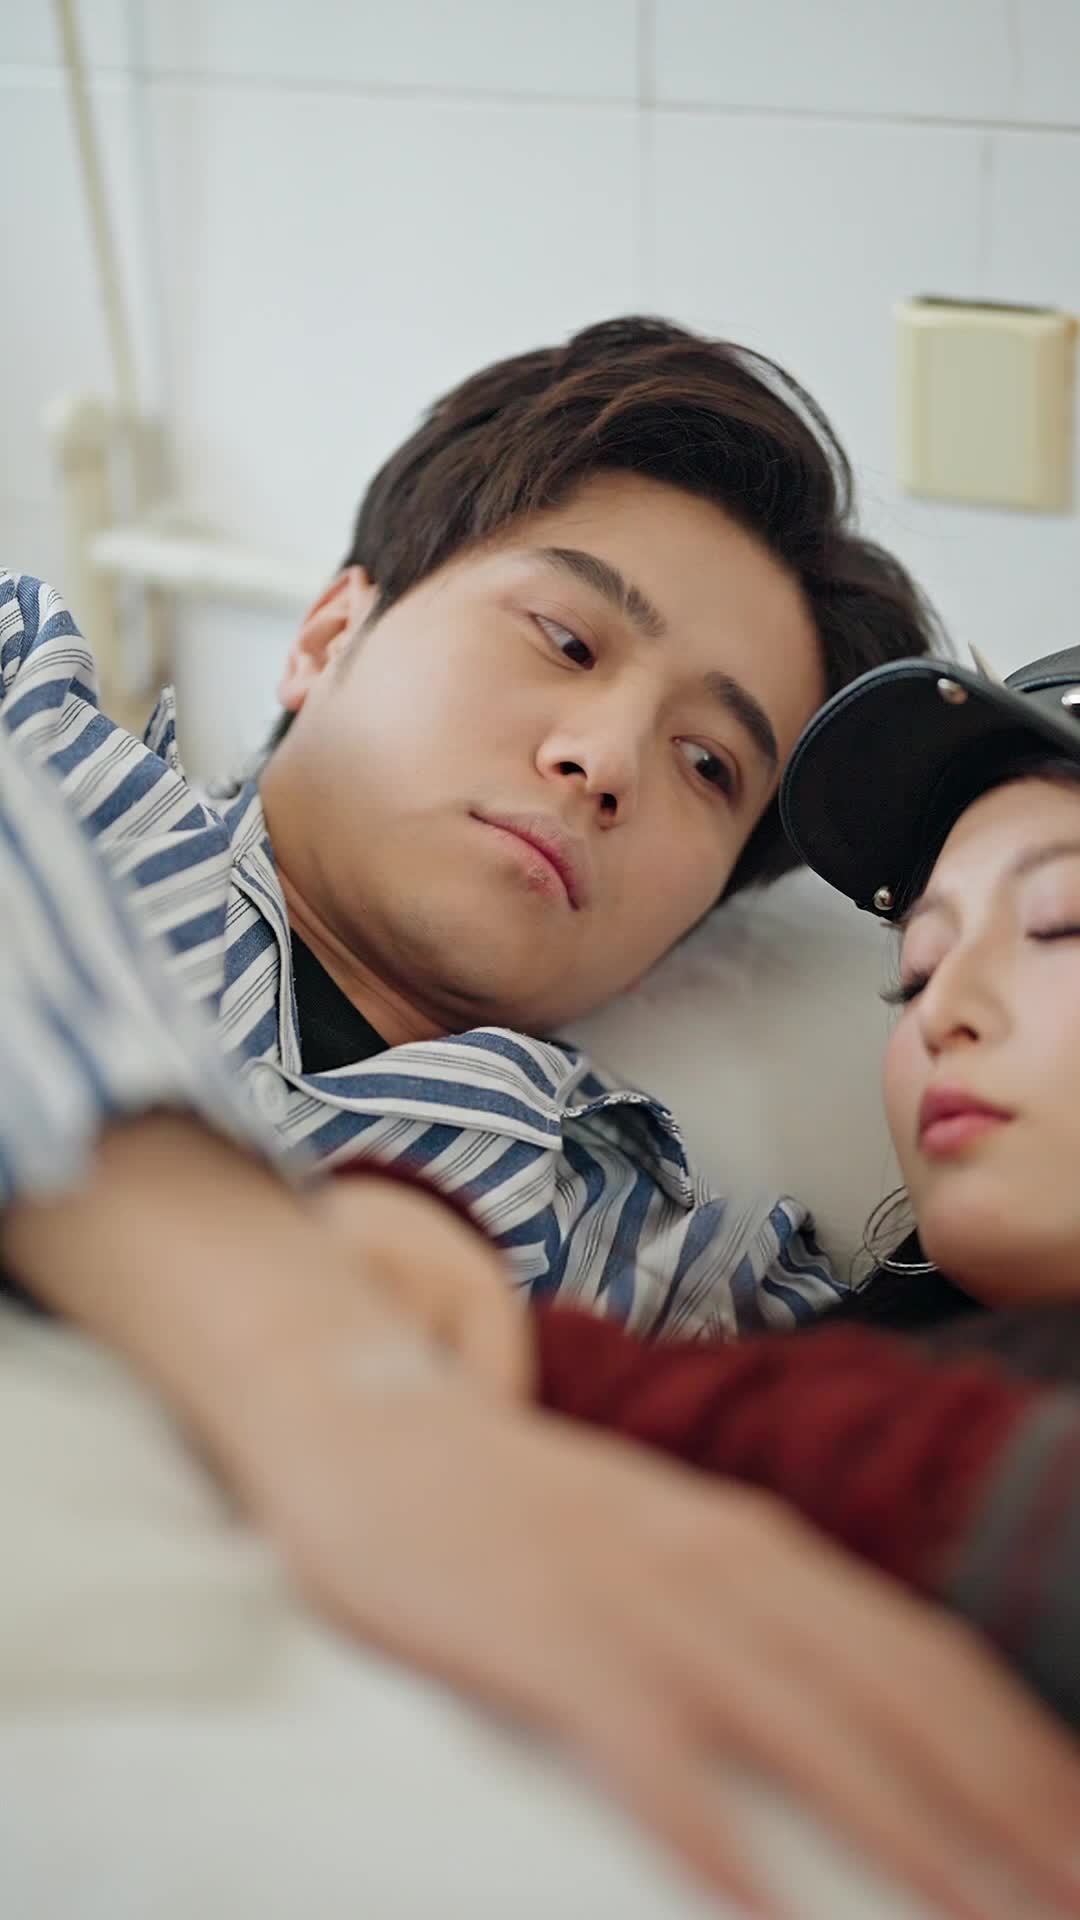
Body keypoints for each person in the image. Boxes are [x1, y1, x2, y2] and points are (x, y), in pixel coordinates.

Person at [4, 316, 1077, 1920]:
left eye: (708, 765)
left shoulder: (676, 1270)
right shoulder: (38, 748)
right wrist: (327, 1381)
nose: (604, 760)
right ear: (328, 634)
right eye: (567, 641)